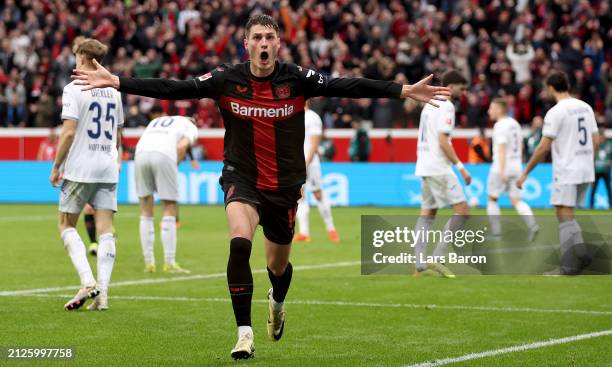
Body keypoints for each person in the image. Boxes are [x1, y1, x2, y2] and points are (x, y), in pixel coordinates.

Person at [71, 14, 449, 359]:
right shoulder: (226, 79)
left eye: (270, 37)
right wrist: (118, 81)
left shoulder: (296, 78)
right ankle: (244, 332)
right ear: (247, 45)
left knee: (277, 267)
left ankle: (278, 303)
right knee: (239, 242)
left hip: (284, 185)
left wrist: (403, 91)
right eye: (257, 37)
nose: (264, 43)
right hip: (242, 178)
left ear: (278, 44)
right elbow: (175, 88)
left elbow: (346, 85)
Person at [50, 38, 123, 311]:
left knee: (66, 224)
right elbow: (118, 132)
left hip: (81, 166)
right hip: (107, 165)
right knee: (106, 229)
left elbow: (68, 132)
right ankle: (102, 294)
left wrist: (57, 166)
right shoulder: (114, 90)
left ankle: (87, 281)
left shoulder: (74, 88)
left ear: (81, 56)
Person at [517, 71, 598, 275]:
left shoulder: (556, 112)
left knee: (564, 214)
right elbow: (596, 139)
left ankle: (567, 267)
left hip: (567, 170)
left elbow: (543, 147)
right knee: (565, 214)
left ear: (551, 88)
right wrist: (590, 162)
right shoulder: (586, 107)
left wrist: (526, 172)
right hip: (586, 168)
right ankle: (582, 253)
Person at [413, 70, 472, 279]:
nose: (463, 93)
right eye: (462, 88)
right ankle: (437, 257)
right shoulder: (446, 106)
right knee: (463, 211)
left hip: (424, 165)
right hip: (439, 167)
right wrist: (461, 167)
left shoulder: (429, 104)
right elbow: (443, 140)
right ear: (452, 86)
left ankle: (419, 263)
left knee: (428, 212)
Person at [134, 112, 198, 274]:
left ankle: (149, 263)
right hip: (164, 154)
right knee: (169, 207)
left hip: (140, 153)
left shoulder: (159, 120)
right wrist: (172, 167)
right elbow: (182, 146)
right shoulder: (190, 126)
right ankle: (169, 262)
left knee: (145, 209)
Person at [486, 98, 539, 240]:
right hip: (516, 166)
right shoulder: (515, 124)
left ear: (499, 109)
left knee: (492, 199)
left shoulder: (500, 125)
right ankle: (532, 225)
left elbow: (502, 149)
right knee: (516, 200)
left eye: (491, 108)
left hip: (501, 167)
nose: (489, 111)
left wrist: (502, 170)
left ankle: (496, 234)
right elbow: (521, 146)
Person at [294, 101, 339, 243]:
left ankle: (331, 229)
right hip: (296, 163)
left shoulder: (312, 117)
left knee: (317, 193)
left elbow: (314, 143)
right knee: (299, 196)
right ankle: (304, 233)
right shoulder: (294, 116)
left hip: (310, 163)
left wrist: (306, 162)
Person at [590, 127, 612, 208]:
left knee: (608, 188)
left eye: (602, 136)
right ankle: (591, 205)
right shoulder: (595, 145)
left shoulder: (609, 144)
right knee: (593, 189)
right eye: (600, 136)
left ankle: (610, 205)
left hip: (606, 170)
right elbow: (592, 157)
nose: (601, 138)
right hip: (597, 170)